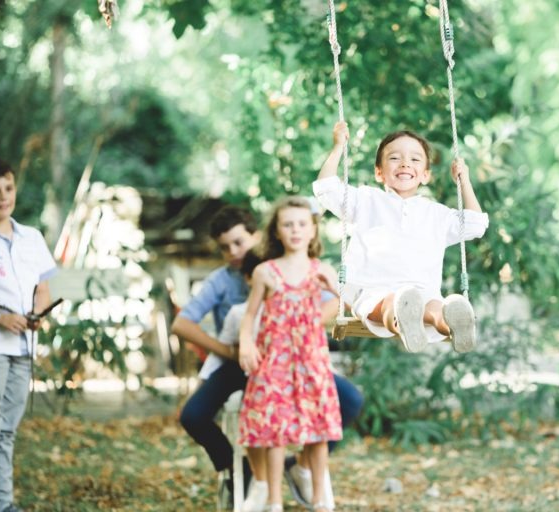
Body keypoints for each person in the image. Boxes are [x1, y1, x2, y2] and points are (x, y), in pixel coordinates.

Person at [172, 205, 362, 510]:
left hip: (298, 357)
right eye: (224, 247)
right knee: (195, 415)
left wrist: (309, 320)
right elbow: (185, 323)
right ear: (278, 230)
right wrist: (235, 351)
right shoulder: (228, 278)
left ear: (257, 236)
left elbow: (336, 303)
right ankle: (243, 472)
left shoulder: (298, 266)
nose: (233, 252)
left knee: (348, 402)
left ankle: (299, 465)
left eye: (238, 242)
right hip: (244, 363)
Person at [313, 121, 490, 354]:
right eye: (395, 158)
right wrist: (338, 147)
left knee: (433, 307)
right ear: (379, 172)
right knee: (393, 305)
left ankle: (452, 323)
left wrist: (464, 180)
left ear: (425, 174)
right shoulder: (366, 200)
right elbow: (326, 188)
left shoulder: (436, 213)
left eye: (415, 159)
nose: (405, 162)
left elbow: (475, 224)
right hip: (373, 289)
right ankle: (410, 319)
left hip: (421, 290)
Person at [238, 196, 342, 512]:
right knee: (275, 430)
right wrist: (246, 343)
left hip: (311, 360)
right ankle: (273, 501)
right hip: (276, 361)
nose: (295, 230)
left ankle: (319, 500)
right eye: (287, 224)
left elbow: (347, 304)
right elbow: (249, 314)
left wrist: (334, 287)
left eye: (302, 224)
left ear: (313, 231)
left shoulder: (320, 269)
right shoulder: (265, 272)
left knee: (319, 429)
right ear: (277, 232)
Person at [0, 158, 57, 512]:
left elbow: (43, 288)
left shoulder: (31, 237)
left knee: (7, 428)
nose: (2, 198)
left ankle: (2, 504)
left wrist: (37, 315)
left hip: (23, 348)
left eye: (8, 188)